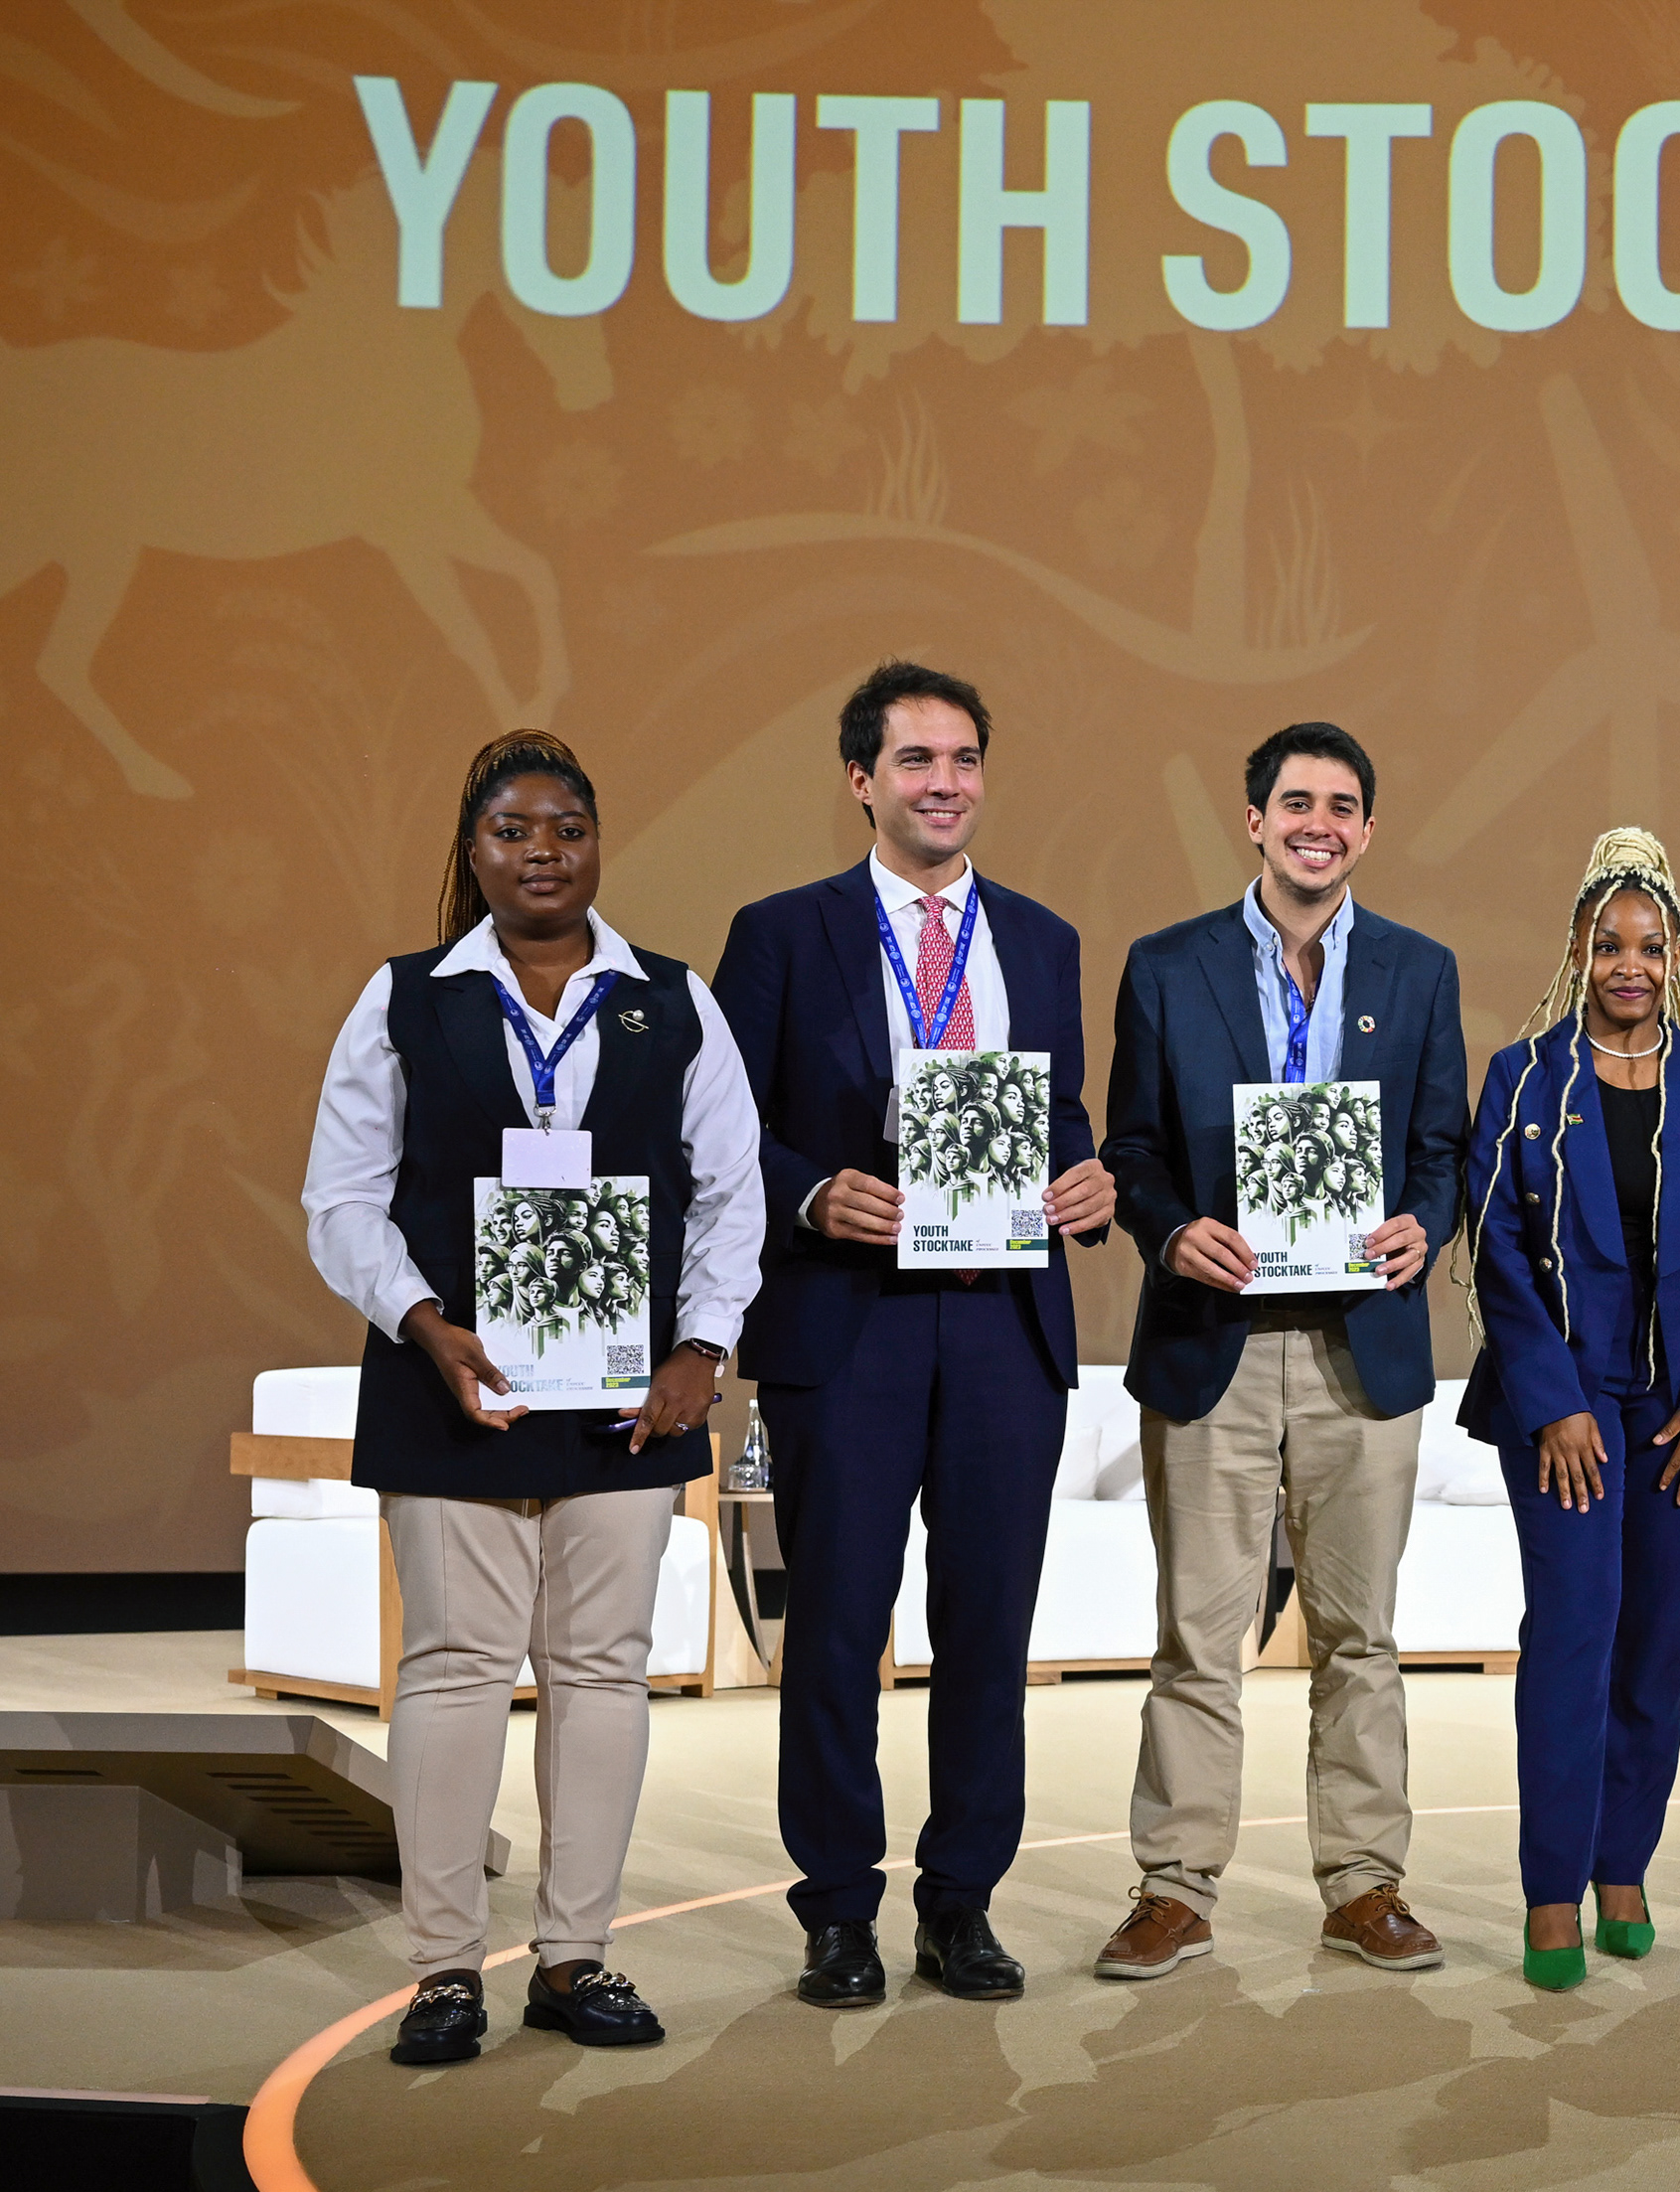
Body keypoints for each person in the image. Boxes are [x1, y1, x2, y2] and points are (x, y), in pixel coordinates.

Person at [303, 729, 763, 2064]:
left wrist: (704, 1348)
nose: (543, 851)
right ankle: (446, 1971)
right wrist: (426, 1325)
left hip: (630, 1399)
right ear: (474, 850)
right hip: (453, 1382)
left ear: (598, 843)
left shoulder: (673, 1000)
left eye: (567, 827)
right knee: (454, 1669)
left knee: (602, 1670)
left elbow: (730, 1191)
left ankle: (574, 1956)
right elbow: (340, 1199)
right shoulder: (403, 999)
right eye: (513, 830)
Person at [714, 664, 1119, 2010]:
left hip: (1004, 1324)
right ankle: (837, 1909)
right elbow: (723, 1125)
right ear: (862, 781)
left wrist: (1088, 1179)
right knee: (838, 1630)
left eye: (964, 759)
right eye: (916, 760)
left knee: (989, 1631)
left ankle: (962, 1901)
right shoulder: (784, 933)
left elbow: (1057, 1114)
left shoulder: (1044, 939)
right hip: (850, 1324)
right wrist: (810, 1193)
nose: (945, 783)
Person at [1093, 721, 1465, 1980]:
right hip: (1218, 1344)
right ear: (1254, 821)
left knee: (1361, 1636)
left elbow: (1440, 1148)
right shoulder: (1168, 965)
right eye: (1296, 802)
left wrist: (1424, 1221)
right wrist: (1168, 1228)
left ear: (1367, 829)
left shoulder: (1419, 969)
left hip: (1365, 1349)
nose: (1320, 823)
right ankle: (1175, 1889)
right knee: (1199, 1638)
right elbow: (1132, 1147)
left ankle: (1364, 1884)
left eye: (1342, 805)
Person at [1460, 830, 1680, 1989]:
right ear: (1578, 952)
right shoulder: (1524, 1078)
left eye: (1648, 944)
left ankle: (1624, 1866)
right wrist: (1551, 1402)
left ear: (1675, 952)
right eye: (1608, 944)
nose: (1628, 965)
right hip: (1566, 1407)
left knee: (1653, 1642)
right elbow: (1495, 1245)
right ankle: (1553, 1887)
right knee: (1574, 1631)